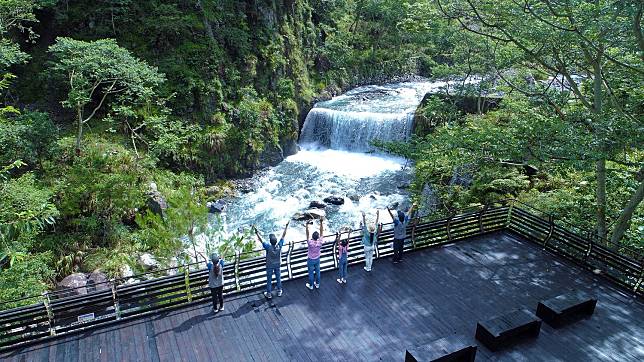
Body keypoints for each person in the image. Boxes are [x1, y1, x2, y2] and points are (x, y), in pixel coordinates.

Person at [254, 221, 290, 299]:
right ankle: (279, 291)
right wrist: (286, 226)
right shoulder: (279, 246)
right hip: (278, 265)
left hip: (269, 265)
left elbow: (261, 240)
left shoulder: (268, 247)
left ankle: (269, 293)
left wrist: (257, 233)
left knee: (269, 280)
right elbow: (283, 236)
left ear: (270, 241)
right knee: (278, 278)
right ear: (276, 241)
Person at [305, 218, 324, 290]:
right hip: (317, 258)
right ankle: (317, 284)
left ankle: (311, 285)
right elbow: (322, 232)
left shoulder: (310, 243)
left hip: (310, 259)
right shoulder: (320, 242)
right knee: (318, 272)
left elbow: (307, 234)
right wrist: (321, 222)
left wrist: (306, 225)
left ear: (312, 237)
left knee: (311, 273)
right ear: (318, 237)